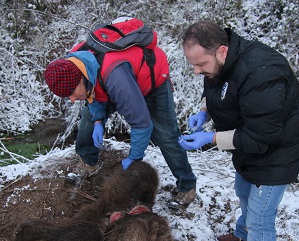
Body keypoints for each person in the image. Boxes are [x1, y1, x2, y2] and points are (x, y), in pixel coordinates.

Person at [179, 21, 299, 241]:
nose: (197, 71)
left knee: (262, 221)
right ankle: (242, 231)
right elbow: (219, 89)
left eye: (201, 64)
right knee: (242, 188)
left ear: (221, 51)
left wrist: (210, 139)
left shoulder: (264, 72)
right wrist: (205, 112)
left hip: (276, 152)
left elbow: (260, 136)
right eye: (193, 65)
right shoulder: (222, 62)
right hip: (249, 150)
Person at [43, 34, 197, 209]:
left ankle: (187, 186)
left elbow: (142, 123)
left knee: (165, 135)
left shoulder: (116, 77)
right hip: (107, 81)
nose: (71, 100)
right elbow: (91, 94)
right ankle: (88, 164)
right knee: (88, 119)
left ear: (80, 79)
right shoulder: (76, 62)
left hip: (150, 82)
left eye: (71, 93)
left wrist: (134, 157)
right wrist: (98, 120)